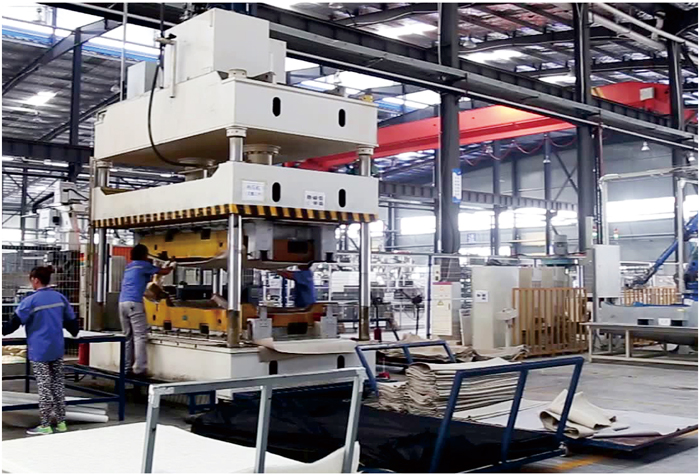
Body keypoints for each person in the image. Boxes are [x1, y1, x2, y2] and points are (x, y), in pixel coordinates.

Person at [2, 266, 79, 436]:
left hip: (40, 350)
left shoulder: (30, 301)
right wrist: (72, 331)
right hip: (57, 348)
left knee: (44, 387)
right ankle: (61, 422)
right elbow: (72, 323)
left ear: (35, 280)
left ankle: (45, 425)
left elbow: (13, 324)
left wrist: (3, 330)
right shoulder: (60, 297)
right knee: (57, 385)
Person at [119, 244, 172, 377]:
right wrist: (173, 263)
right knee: (140, 336)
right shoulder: (144, 265)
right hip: (134, 303)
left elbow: (148, 279)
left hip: (122, 303)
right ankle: (140, 370)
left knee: (128, 337)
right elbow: (165, 272)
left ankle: (126, 368)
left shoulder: (130, 266)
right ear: (144, 255)